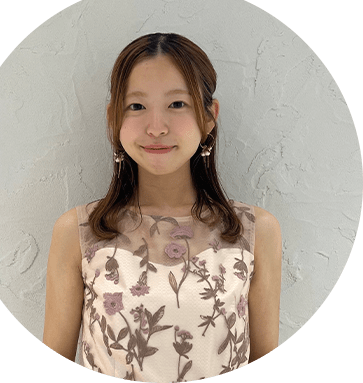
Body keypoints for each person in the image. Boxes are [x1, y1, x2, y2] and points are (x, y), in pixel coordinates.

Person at [42, 33, 282, 382]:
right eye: (136, 106)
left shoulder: (255, 231)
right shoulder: (78, 232)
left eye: (177, 104)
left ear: (209, 116)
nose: (156, 128)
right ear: (113, 119)